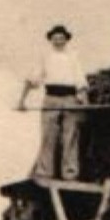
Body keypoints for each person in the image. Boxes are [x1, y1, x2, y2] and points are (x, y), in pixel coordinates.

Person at [20, 24, 87, 182]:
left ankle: (70, 173)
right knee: (48, 136)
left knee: (70, 136)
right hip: (51, 98)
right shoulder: (45, 57)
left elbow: (80, 80)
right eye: (55, 39)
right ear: (50, 40)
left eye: (62, 39)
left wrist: (83, 101)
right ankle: (45, 173)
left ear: (66, 40)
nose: (58, 42)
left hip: (70, 99)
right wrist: (22, 100)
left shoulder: (73, 56)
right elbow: (33, 79)